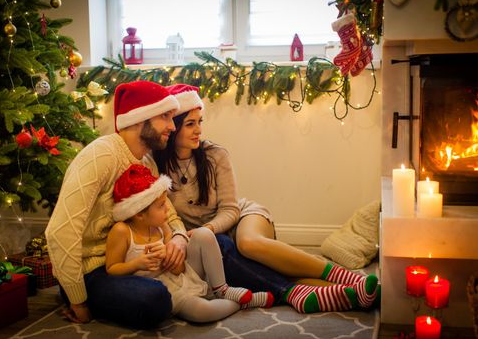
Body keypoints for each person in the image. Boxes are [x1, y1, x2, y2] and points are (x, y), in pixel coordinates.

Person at [153, 84, 379, 313]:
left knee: (248, 244)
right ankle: (348, 296)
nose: (198, 130)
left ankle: (350, 278)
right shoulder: (157, 165)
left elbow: (231, 210)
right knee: (256, 270)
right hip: (214, 242)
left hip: (241, 218)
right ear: (174, 127)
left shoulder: (214, 155)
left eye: (200, 122)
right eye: (190, 124)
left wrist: (209, 228)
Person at [45, 81, 192, 328]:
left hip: (132, 255)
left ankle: (269, 289)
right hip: (93, 271)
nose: (172, 126)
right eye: (165, 116)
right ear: (139, 119)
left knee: (216, 243)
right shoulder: (101, 155)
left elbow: (165, 210)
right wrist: (79, 302)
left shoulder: (147, 161)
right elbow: (61, 232)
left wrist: (178, 238)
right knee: (154, 299)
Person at [106, 164, 274, 323]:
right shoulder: (122, 231)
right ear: (139, 214)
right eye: (161, 205)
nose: (167, 209)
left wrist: (168, 256)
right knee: (202, 312)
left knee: (204, 234)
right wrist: (136, 264)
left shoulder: (161, 226)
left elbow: (178, 269)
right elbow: (111, 269)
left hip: (181, 276)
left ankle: (222, 289)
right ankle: (245, 302)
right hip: (167, 291)